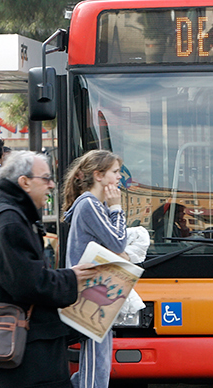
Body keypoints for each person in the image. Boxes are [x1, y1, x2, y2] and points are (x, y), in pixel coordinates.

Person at [0, 151, 96, 388]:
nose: (52, 185)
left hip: (5, 352)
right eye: (45, 178)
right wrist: (71, 278)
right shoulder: (10, 222)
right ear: (24, 182)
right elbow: (27, 283)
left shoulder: (2, 214)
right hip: (24, 359)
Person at [62, 149, 128, 388]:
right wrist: (116, 208)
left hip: (96, 291)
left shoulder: (91, 205)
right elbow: (118, 242)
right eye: (115, 171)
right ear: (99, 175)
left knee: (98, 360)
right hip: (91, 293)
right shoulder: (90, 205)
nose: (119, 176)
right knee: (95, 362)